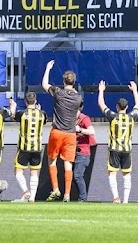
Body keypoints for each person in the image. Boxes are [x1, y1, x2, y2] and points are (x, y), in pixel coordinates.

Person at [41, 59, 83, 202]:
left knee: (52, 161)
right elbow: (78, 111)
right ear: (74, 82)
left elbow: (44, 85)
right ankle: (67, 194)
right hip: (70, 133)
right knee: (68, 164)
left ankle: (56, 189)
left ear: (63, 81)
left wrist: (47, 69)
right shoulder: (78, 98)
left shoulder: (58, 93)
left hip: (57, 131)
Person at [97, 80, 138, 203]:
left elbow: (101, 104)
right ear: (127, 107)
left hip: (114, 149)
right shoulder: (132, 116)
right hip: (127, 149)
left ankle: (116, 197)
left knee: (112, 173)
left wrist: (101, 91)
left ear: (117, 107)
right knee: (126, 175)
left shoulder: (112, 117)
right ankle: (126, 201)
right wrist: (135, 91)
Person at [10, 91, 45, 202]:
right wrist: (38, 110)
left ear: (26, 101)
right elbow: (43, 122)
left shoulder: (22, 114)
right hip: (37, 148)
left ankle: (26, 191)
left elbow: (13, 117)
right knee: (34, 173)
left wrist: (13, 107)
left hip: (24, 147)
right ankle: (32, 197)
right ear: (35, 102)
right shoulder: (42, 114)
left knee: (18, 171)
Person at [71, 109, 95, 202]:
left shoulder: (84, 119)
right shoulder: (72, 119)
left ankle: (82, 198)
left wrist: (80, 129)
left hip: (83, 153)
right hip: (74, 152)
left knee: (78, 175)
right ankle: (80, 197)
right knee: (75, 176)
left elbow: (92, 131)